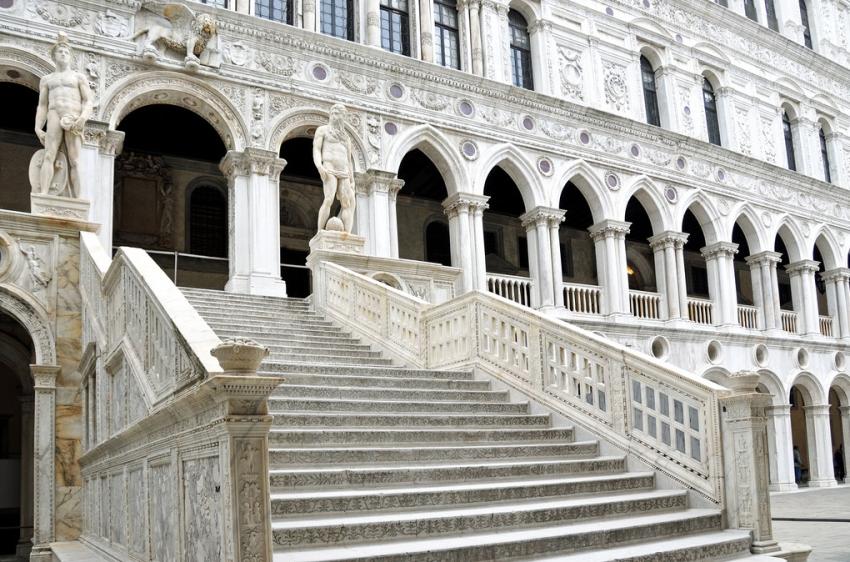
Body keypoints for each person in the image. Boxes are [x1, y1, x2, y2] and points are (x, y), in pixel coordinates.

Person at [34, 33, 93, 198]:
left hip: (73, 116)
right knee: (49, 154)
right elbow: (43, 105)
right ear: (54, 56)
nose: (63, 54)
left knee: (75, 160)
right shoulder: (47, 79)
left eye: (66, 52)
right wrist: (38, 128)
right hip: (54, 114)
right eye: (60, 51)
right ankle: (44, 194)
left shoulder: (78, 77)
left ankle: (78, 198)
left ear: (70, 57)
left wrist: (82, 118)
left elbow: (88, 101)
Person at [313, 104, 356, 233]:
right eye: (336, 113)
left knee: (346, 203)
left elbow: (348, 160)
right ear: (331, 114)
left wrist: (352, 179)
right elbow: (316, 149)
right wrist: (319, 166)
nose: (338, 117)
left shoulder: (346, 137)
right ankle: (320, 232)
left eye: (341, 115)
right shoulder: (322, 130)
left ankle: (347, 234)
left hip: (344, 171)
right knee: (328, 199)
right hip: (329, 167)